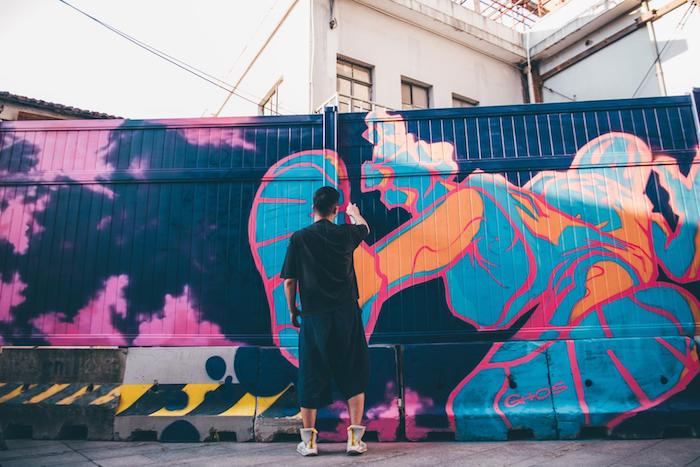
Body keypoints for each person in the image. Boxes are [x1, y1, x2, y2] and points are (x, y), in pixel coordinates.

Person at [280, 186, 371, 457]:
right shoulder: (346, 234)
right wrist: (354, 213)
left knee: (311, 373)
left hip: (313, 316)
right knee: (353, 371)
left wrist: (293, 311)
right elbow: (364, 229)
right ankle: (354, 440)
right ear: (335, 209)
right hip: (346, 315)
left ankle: (309, 442)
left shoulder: (299, 238)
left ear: (313, 208)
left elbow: (289, 281)